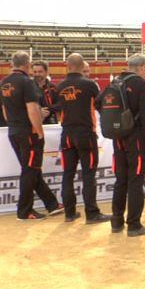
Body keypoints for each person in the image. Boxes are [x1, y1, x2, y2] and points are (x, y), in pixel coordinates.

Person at [96, 54, 145, 237]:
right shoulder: (141, 84)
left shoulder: (115, 82)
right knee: (136, 180)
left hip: (118, 137)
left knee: (121, 179)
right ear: (143, 66)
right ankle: (134, 225)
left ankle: (116, 221)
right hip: (135, 137)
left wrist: (116, 120)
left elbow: (98, 103)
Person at [0, 51, 63, 220]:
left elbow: (5, 111)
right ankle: (24, 211)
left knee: (31, 169)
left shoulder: (4, 83)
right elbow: (33, 109)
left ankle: (52, 204)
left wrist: (14, 125)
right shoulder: (26, 82)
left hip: (13, 131)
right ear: (27, 65)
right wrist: (39, 131)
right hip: (28, 132)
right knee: (30, 170)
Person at [56, 53, 113, 223]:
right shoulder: (90, 85)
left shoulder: (59, 86)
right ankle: (92, 213)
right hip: (85, 133)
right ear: (82, 67)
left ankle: (70, 213)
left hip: (66, 134)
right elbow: (101, 104)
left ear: (68, 66)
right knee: (88, 174)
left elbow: (59, 109)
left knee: (68, 174)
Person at [32, 60, 59, 124]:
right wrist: (39, 111)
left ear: (47, 72)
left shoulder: (53, 88)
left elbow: (60, 104)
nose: (37, 74)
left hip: (51, 123)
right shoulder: (28, 88)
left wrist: (48, 110)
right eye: (35, 72)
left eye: (40, 72)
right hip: (33, 124)